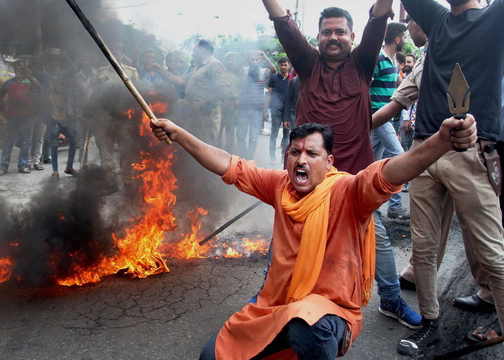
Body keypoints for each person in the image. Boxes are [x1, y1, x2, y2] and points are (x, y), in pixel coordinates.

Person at [150, 111, 477, 360]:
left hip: (330, 312)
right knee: (212, 356)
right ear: (286, 158)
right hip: (274, 304)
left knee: (306, 326)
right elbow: (229, 165)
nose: (301, 159)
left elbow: (388, 173)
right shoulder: (280, 186)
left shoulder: (348, 192)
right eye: (295, 153)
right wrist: (179, 134)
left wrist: (441, 142)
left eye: (311, 154)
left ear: (329, 161)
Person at [264, 0, 422, 329]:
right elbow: (283, 22)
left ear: (351, 36)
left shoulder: (363, 64)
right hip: (309, 180)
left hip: (355, 180)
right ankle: (270, 298)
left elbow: (378, 17)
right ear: (317, 37)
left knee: (375, 237)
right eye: (326, 32)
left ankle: (391, 299)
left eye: (340, 32)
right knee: (288, 240)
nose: (333, 37)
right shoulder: (306, 63)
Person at [396, 0, 504, 355]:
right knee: (424, 249)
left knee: (493, 253)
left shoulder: (495, 15)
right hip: (424, 149)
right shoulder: (438, 18)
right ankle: (430, 324)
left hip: (473, 151)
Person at [370, 22, 411, 221]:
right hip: (378, 116)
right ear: (397, 39)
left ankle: (368, 202)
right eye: (404, 36)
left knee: (369, 161)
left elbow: (400, 86)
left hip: (384, 118)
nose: (406, 40)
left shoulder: (394, 61)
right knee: (398, 155)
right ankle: (395, 206)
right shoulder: (378, 58)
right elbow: (364, 85)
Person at [95, 42, 141, 195]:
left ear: (122, 54)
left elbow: (139, 96)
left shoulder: (131, 72)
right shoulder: (101, 73)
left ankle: (128, 181)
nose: (115, 54)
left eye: (118, 51)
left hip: (125, 119)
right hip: (106, 118)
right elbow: (94, 97)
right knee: (106, 152)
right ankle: (111, 182)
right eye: (112, 51)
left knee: (127, 151)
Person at [38, 49, 79, 179]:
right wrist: (41, 56)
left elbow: (74, 69)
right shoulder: (44, 77)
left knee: (73, 140)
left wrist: (65, 55)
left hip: (65, 115)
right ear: (48, 65)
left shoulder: (64, 75)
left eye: (57, 62)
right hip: (51, 116)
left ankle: (69, 166)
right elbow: (30, 70)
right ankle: (55, 171)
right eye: (52, 62)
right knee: (53, 143)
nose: (55, 64)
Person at [0, 60, 41, 176]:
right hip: (12, 116)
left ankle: (23, 165)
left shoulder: (29, 82)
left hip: (27, 115)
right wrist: (3, 111)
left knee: (26, 142)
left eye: (22, 67)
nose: (19, 69)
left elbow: (40, 88)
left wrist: (29, 76)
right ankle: (3, 166)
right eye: (17, 67)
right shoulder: (9, 83)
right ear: (14, 69)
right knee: (8, 142)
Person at [236, 51, 274, 160]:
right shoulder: (244, 71)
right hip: (243, 108)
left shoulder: (263, 72)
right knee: (240, 135)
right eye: (252, 60)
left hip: (257, 110)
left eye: (257, 60)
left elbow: (274, 70)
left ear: (260, 61)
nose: (254, 62)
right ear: (249, 61)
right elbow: (234, 70)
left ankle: (249, 157)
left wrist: (265, 57)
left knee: (253, 138)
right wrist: (244, 58)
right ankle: (244, 155)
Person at [265, 56, 291, 165]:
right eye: (281, 65)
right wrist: (266, 110)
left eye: (285, 65)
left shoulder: (292, 79)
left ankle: (283, 156)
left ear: (289, 66)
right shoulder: (274, 78)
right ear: (279, 66)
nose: (283, 67)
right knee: (274, 134)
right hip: (276, 110)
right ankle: (272, 157)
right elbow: (269, 94)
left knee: (287, 135)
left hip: (288, 111)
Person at [218, 52, 241, 153]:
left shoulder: (240, 73)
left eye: (233, 59)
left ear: (236, 61)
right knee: (218, 127)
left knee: (230, 129)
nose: (231, 61)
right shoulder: (221, 72)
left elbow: (243, 88)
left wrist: (239, 99)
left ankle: (228, 152)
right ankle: (217, 150)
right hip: (221, 102)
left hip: (232, 103)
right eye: (228, 59)